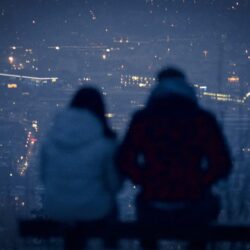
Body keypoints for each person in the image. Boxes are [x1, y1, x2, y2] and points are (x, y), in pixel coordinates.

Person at [118, 67, 232, 250]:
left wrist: (146, 180)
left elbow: (124, 160)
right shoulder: (203, 120)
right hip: (194, 202)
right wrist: (200, 182)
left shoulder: (143, 119)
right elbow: (222, 163)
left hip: (152, 202)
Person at [40, 87, 121, 248]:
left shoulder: (51, 137)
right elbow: (114, 184)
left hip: (56, 208)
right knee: (110, 210)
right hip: (94, 210)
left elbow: (44, 177)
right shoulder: (105, 141)